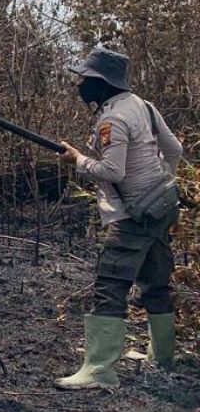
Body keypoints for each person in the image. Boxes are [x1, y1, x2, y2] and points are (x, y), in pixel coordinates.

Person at [54, 47, 183, 391]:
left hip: (130, 218)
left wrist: (78, 160)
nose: (79, 84)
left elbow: (112, 170)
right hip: (157, 213)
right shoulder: (144, 105)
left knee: (110, 285)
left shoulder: (112, 118)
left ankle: (98, 369)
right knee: (157, 282)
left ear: (101, 83)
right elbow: (175, 151)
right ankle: (163, 356)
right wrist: (160, 186)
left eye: (84, 79)